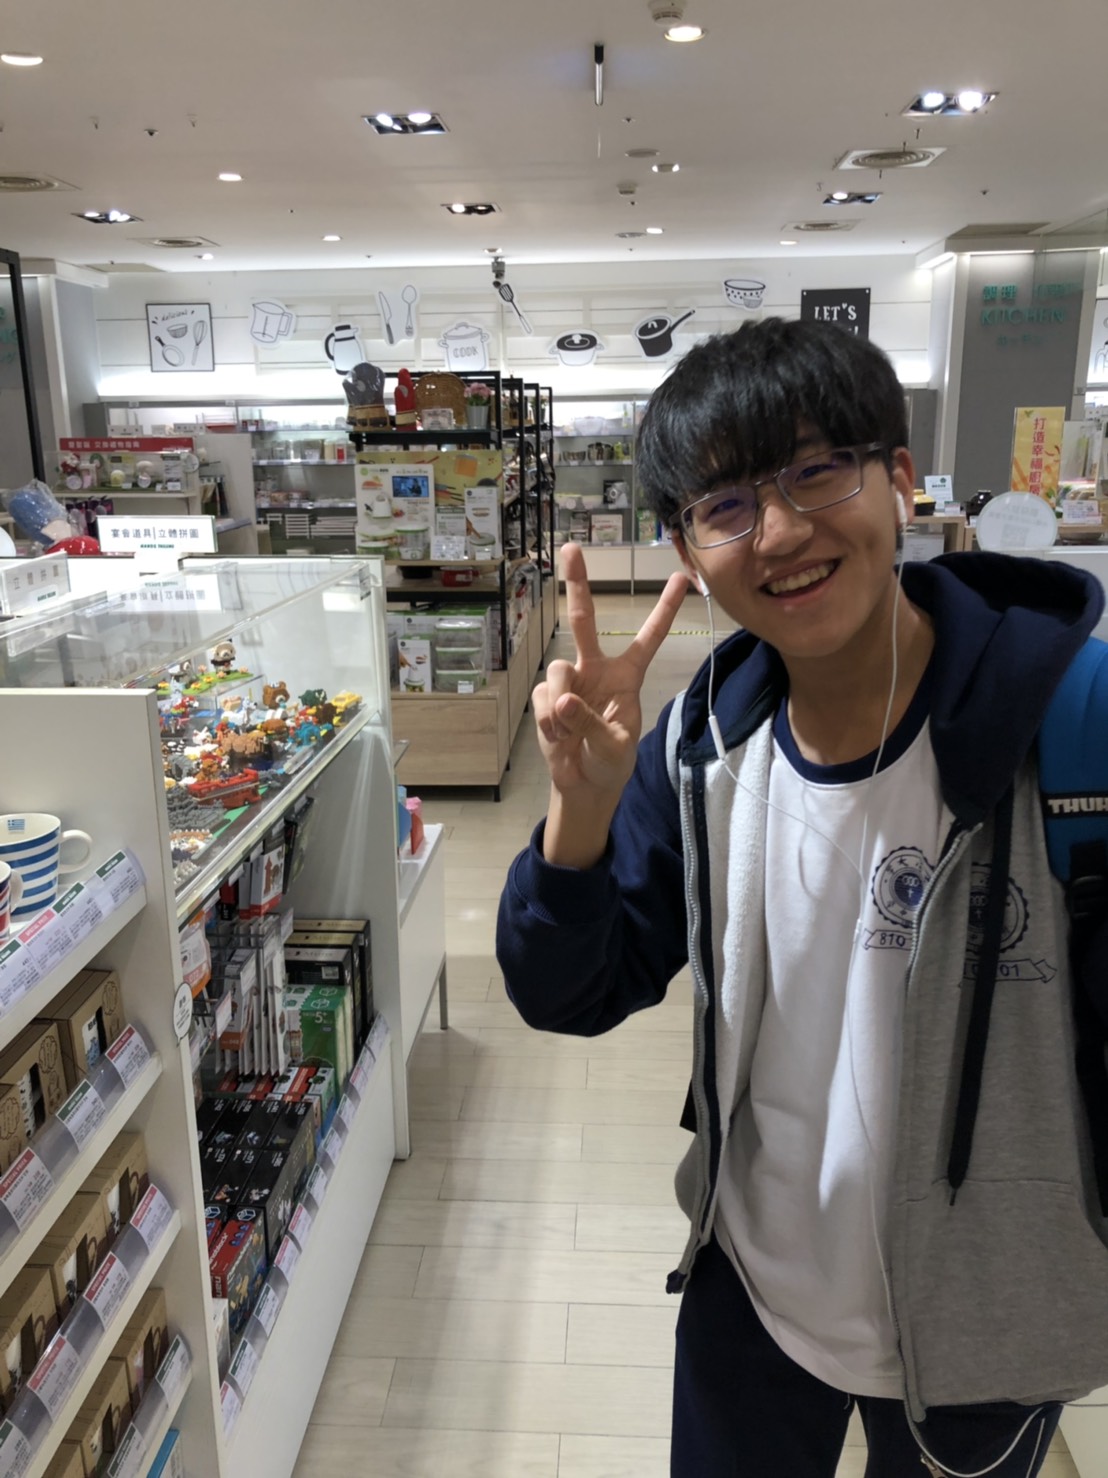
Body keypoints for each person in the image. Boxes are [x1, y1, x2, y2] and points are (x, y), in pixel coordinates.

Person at [496, 317, 1108, 1477]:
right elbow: (566, 993)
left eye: (816, 470)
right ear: (685, 547)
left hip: (984, 1326)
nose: (777, 531)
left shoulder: (1073, 722)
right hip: (751, 1295)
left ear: (898, 475)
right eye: (724, 505)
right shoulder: (703, 741)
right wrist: (578, 814)